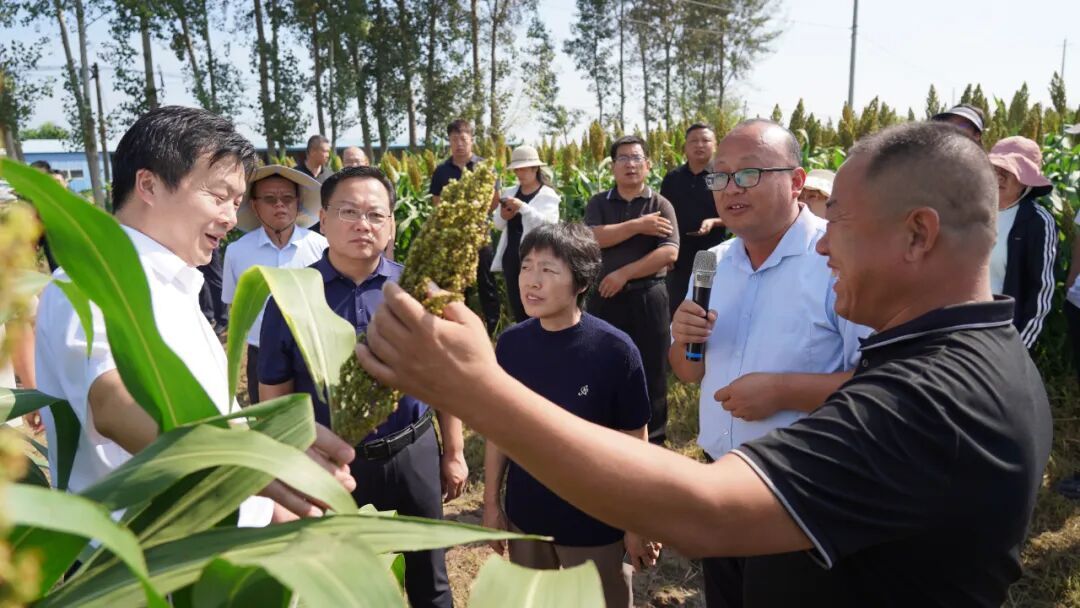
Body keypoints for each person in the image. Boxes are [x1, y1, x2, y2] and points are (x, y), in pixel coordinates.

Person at [356, 121, 1052, 607]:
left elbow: (706, 511)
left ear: (917, 234)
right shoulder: (956, 354)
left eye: (837, 220)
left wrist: (474, 388)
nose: (822, 245)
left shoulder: (938, 397)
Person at [35, 106, 356, 527]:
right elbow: (113, 404)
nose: (229, 217)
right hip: (151, 568)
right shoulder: (91, 283)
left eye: (237, 202)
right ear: (148, 185)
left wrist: (271, 504)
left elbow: (205, 415)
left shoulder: (175, 280)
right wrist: (253, 456)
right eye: (219, 196)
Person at [669, 119, 866, 607]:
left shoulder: (836, 258)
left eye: (749, 174)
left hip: (800, 491)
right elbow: (689, 371)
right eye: (720, 176)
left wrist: (784, 392)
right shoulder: (710, 262)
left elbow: (882, 384)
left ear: (797, 181)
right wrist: (683, 339)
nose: (730, 188)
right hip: (719, 479)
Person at [258, 166, 465, 607]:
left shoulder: (417, 289)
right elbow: (274, 390)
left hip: (413, 450)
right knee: (340, 580)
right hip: (334, 462)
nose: (362, 225)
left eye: (376, 215)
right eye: (348, 212)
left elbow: (447, 379)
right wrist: (289, 465)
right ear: (324, 220)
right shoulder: (292, 295)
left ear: (392, 224)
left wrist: (455, 452)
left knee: (432, 576)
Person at [483, 223, 657, 607]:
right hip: (527, 518)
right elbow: (500, 431)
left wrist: (635, 522)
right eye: (527, 267)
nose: (532, 281)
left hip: (596, 522)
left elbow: (635, 443)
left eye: (548, 270)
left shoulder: (615, 351)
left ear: (580, 282)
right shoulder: (512, 345)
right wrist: (493, 503)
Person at [584, 135, 678, 446]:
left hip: (648, 295)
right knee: (605, 362)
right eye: (623, 159)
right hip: (605, 296)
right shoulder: (599, 202)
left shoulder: (660, 204)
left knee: (651, 366)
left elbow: (669, 253)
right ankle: (609, 433)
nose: (630, 165)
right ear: (612, 167)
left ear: (648, 165)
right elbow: (592, 238)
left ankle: (655, 439)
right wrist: (638, 226)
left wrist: (624, 274)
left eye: (636, 158)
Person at [222, 165, 328, 405]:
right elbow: (234, 307)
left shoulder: (321, 248)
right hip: (262, 355)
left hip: (313, 351)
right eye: (270, 199)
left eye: (287, 198)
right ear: (255, 206)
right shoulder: (237, 252)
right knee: (268, 424)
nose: (280, 205)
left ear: (298, 203)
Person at [429, 119, 501, 334]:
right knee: (458, 286)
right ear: (449, 142)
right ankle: (460, 331)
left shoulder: (484, 166)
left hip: (479, 235)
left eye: (463, 138)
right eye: (453, 139)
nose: (458, 143)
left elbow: (494, 199)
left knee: (486, 283)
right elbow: (437, 202)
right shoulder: (442, 171)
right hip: (453, 238)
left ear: (471, 140)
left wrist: (473, 213)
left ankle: (493, 329)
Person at [986, 136, 1056, 349]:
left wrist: (1018, 351)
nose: (1000, 177)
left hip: (1001, 335)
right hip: (962, 328)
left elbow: (1041, 293)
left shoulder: (1036, 221)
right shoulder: (974, 211)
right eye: (995, 169)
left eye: (1009, 171)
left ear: (1026, 181)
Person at [661, 124, 727, 316]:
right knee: (677, 309)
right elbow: (664, 215)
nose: (699, 145)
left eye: (705, 140)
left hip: (712, 255)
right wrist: (664, 249)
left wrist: (714, 221)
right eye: (693, 141)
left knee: (707, 308)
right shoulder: (673, 178)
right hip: (679, 257)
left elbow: (737, 213)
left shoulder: (722, 177)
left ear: (715, 145)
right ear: (685, 146)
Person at [490, 145, 560, 323]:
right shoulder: (509, 192)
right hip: (512, 258)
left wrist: (522, 207)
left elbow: (548, 225)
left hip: (536, 259)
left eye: (523, 169)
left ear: (535, 168)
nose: (519, 174)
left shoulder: (547, 195)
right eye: (516, 170)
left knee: (537, 305)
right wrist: (504, 215)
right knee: (518, 306)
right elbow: (498, 225)